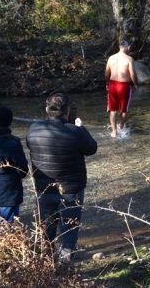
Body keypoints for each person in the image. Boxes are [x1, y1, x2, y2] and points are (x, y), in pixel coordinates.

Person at [26, 93, 98, 264]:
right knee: (69, 228)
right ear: (67, 111)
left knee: (46, 229)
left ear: (47, 109)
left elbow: (31, 145)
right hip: (71, 189)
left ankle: (46, 264)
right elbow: (91, 148)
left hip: (44, 187)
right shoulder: (75, 131)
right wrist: (81, 128)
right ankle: (65, 264)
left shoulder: (33, 129)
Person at [104, 38, 138, 139]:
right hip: (124, 86)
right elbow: (132, 74)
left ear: (119, 47)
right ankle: (121, 126)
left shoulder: (111, 58)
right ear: (127, 47)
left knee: (112, 109)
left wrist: (107, 83)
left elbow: (107, 73)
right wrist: (135, 84)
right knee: (124, 110)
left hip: (112, 84)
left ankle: (114, 132)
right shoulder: (129, 59)